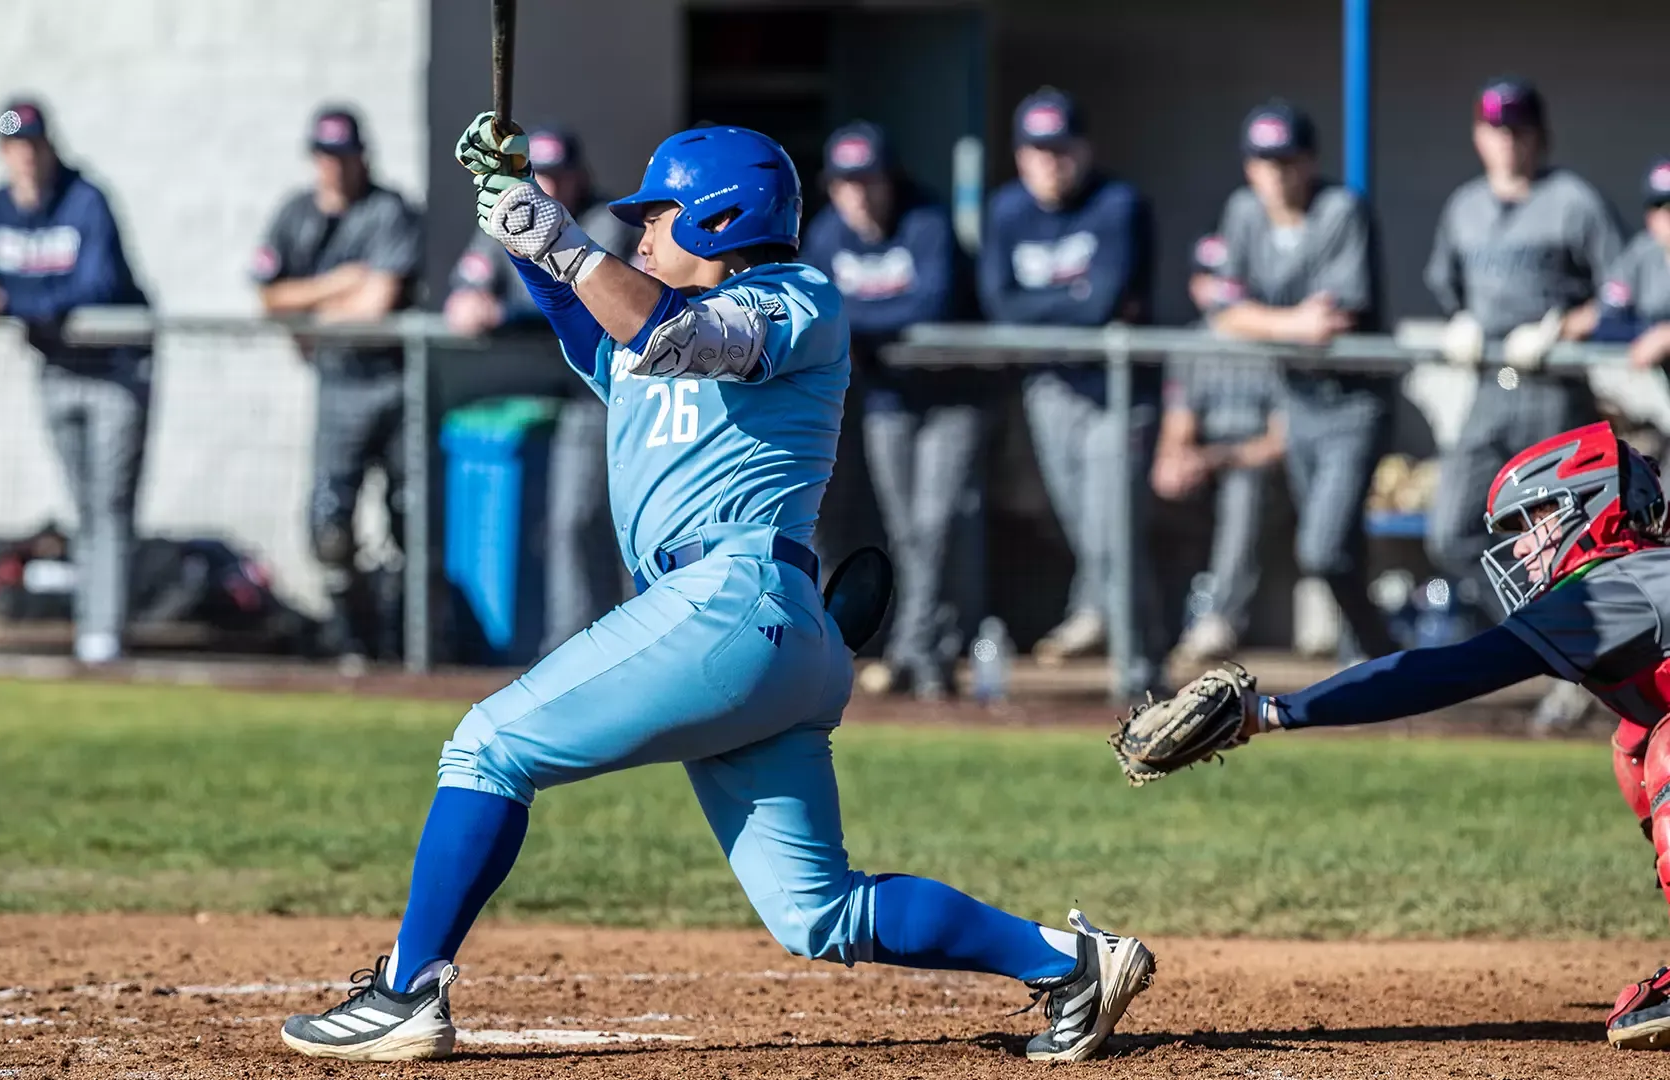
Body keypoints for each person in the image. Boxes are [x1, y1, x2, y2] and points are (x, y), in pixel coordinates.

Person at [278, 116, 1155, 1065]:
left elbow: (675, 331)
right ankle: (1069, 963)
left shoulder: (797, 296)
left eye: (655, 216)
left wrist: (559, 234)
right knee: (819, 915)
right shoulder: (645, 324)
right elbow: (598, 325)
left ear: (718, 216)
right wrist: (514, 215)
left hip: (734, 598)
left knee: (486, 748)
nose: (640, 235)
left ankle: (408, 992)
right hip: (766, 630)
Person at [1130, 420, 1670, 1051]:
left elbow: (1441, 672)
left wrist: (1274, 711)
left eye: (1538, 520)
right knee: (1636, 742)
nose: (1523, 549)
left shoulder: (1618, 583)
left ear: (1598, 504)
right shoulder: (1633, 579)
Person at [0, 98, 152, 667]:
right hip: (56, 371)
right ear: (2, 152)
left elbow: (92, 289)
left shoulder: (86, 200)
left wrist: (8, 300)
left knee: (108, 505)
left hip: (116, 370)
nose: (25, 158)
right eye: (13, 147)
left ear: (49, 145)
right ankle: (94, 620)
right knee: (84, 506)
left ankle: (102, 633)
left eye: (32, 145)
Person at [978, 87, 1164, 701]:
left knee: (1114, 532)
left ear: (1083, 150)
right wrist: (1070, 307)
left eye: (1060, 150)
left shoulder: (1118, 204)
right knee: (1085, 532)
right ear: (1020, 155)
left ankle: (1138, 672)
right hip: (1049, 388)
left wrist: (1050, 312)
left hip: (1115, 392)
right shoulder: (1007, 210)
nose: (1050, 163)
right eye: (1037, 151)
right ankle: (1135, 655)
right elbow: (1000, 305)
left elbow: (1108, 299)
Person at [1198, 101, 1396, 663]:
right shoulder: (1242, 212)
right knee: (1340, 552)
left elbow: (1331, 322)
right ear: (1248, 167)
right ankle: (1379, 667)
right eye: (1264, 161)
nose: (1276, 174)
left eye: (1287, 160)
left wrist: (1259, 320)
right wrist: (1287, 323)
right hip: (1297, 400)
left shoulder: (1340, 210)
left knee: (1324, 547)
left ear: (1308, 161)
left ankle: (1382, 653)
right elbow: (1222, 309)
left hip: (1354, 403)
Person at [1425, 77, 1625, 624]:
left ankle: (1583, 656)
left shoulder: (1574, 202)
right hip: (1489, 387)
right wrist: (1459, 323)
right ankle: (1546, 640)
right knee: (1453, 530)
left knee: (1563, 537)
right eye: (1496, 129)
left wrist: (1564, 327)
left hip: (1553, 390)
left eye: (1519, 129)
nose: (1508, 140)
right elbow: (1447, 287)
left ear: (1540, 137)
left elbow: (1619, 295)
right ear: (1478, 136)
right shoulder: (1464, 206)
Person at [442, 126, 638, 657]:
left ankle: (607, 644)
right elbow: (463, 294)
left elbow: (586, 306)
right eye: (540, 176)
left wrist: (503, 315)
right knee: (567, 524)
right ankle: (573, 646)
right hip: (541, 385)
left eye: (559, 175)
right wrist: (473, 301)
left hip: (601, 390)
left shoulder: (605, 222)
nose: (549, 187)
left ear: (579, 176)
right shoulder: (512, 214)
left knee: (597, 522)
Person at [800, 122, 975, 699]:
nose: (859, 194)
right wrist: (863, 322)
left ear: (890, 179)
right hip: (887, 401)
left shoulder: (926, 219)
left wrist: (856, 323)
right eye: (846, 182)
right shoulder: (827, 233)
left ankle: (921, 651)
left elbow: (933, 299)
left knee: (934, 525)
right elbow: (817, 306)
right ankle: (917, 651)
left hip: (952, 397)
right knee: (907, 530)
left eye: (868, 180)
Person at [253, 105, 424, 664]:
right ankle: (353, 639)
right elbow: (268, 297)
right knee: (328, 522)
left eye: (345, 157)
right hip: (338, 384)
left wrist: (309, 312)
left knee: (410, 516)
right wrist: (339, 284)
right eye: (326, 158)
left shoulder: (388, 209)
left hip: (395, 384)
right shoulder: (295, 214)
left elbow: (376, 304)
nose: (336, 169)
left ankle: (410, 644)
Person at [1154, 233, 1286, 662]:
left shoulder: (1271, 341)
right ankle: (1136, 624)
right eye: (1212, 277)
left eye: (1230, 277)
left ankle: (1220, 621)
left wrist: (1215, 458)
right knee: (1135, 488)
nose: (1222, 288)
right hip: (1209, 468)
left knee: (1242, 488)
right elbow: (1178, 428)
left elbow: (1279, 442)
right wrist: (1174, 461)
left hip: (1262, 471)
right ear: (1195, 286)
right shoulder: (1192, 344)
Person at [1593, 158, 1670, 366]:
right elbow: (1608, 324)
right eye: (1660, 205)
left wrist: (1666, 336)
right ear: (1649, 216)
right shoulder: (1640, 255)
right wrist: (1649, 334)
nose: (1667, 215)